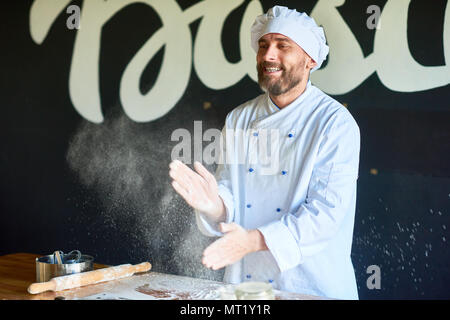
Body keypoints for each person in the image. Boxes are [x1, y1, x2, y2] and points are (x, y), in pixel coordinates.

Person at [169, 5, 360, 300]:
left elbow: (324, 214)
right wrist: (214, 205)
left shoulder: (334, 123)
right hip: (248, 287)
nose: (268, 55)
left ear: (310, 59)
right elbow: (233, 195)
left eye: (283, 46)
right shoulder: (239, 119)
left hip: (312, 288)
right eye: (263, 45)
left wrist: (253, 241)